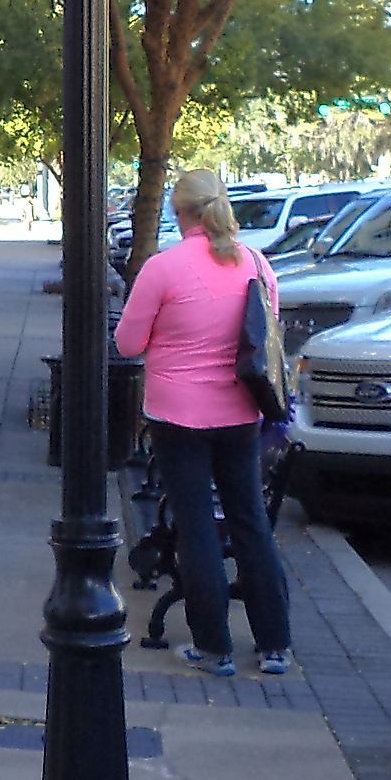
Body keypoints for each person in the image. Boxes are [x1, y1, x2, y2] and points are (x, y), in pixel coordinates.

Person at [111, 169, 293, 676]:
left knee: (195, 526)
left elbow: (127, 343)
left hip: (178, 413)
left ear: (179, 211)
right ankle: (274, 643)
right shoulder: (256, 263)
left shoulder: (163, 268)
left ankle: (214, 646)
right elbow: (267, 335)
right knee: (250, 520)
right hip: (241, 413)